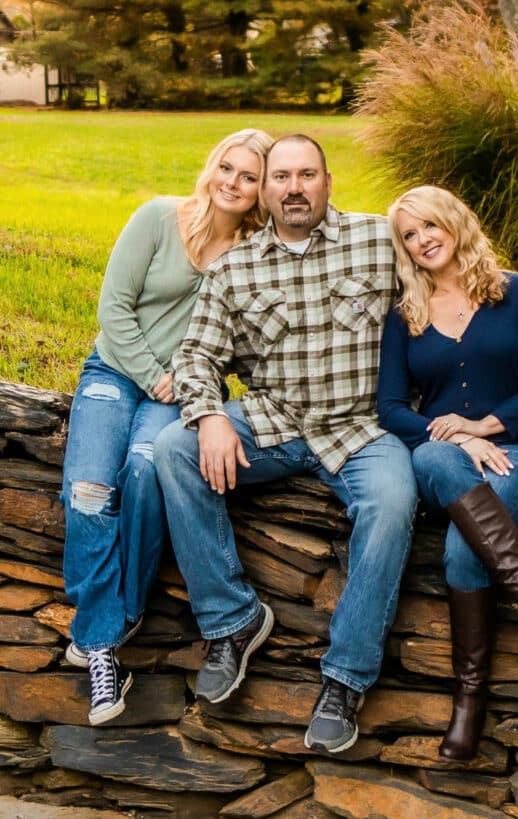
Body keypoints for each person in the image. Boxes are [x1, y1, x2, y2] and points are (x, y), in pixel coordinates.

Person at [153, 134, 417, 755]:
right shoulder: (234, 269)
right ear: (265, 191)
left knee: (395, 501)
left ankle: (345, 679)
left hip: (360, 429)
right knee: (174, 449)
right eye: (281, 178)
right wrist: (210, 414)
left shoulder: (377, 241)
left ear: (328, 181)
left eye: (307, 175)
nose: (294, 188)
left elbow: (448, 281)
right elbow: (196, 357)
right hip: (271, 422)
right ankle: (231, 620)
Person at [61, 128, 274, 727]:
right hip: (116, 370)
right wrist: (157, 373)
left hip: (184, 390)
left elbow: (239, 341)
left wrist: (187, 381)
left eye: (249, 176)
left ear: (261, 190)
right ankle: (104, 643)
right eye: (227, 168)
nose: (233, 182)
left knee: (149, 467)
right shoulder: (158, 217)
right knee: (89, 491)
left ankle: (113, 620)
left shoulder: (252, 255)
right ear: (212, 166)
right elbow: (113, 307)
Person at [377, 185, 518, 761]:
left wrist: (489, 424)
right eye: (409, 236)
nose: (422, 241)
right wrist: (459, 434)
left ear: (456, 223)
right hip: (449, 462)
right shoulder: (405, 314)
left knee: (465, 553)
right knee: (432, 455)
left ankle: (469, 703)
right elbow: (390, 409)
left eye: (429, 226)